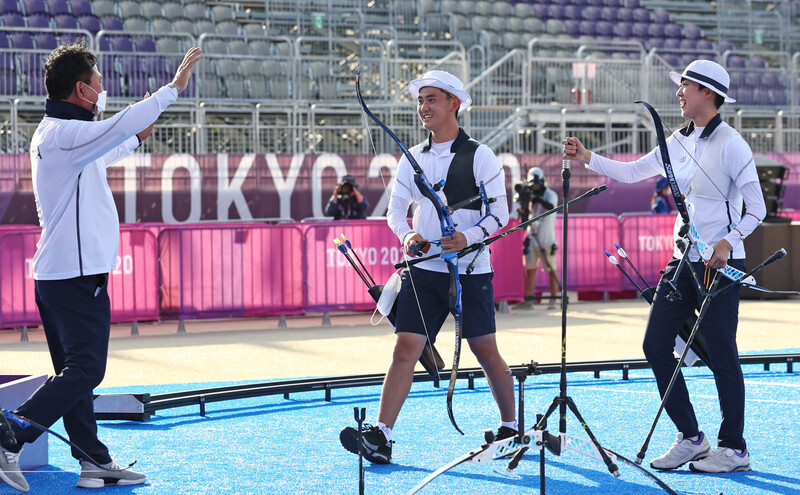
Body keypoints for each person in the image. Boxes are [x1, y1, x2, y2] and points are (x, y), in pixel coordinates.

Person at [0, 41, 202, 493]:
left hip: (61, 276)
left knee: (75, 377)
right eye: (98, 82)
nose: (103, 88)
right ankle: (10, 432)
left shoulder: (61, 136)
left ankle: (94, 461)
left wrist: (136, 134)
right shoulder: (63, 135)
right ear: (81, 90)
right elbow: (118, 124)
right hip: (72, 277)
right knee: (87, 371)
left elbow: (114, 144)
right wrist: (172, 89)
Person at [563, 59, 765, 474]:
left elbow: (757, 210)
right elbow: (635, 171)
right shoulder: (677, 139)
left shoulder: (732, 144)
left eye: (685, 86)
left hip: (719, 264)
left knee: (722, 352)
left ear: (707, 93)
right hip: (683, 260)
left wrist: (728, 242)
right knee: (656, 344)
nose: (678, 94)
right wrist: (588, 157)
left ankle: (733, 448)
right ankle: (692, 437)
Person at [339, 70, 515, 464]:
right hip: (423, 269)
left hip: (470, 269)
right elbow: (395, 212)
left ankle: (511, 428)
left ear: (454, 103)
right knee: (406, 347)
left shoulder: (480, 155)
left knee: (485, 349)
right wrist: (406, 237)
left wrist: (467, 238)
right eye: (420, 101)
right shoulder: (412, 157)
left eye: (432, 99)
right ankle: (381, 436)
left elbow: (500, 213)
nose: (424, 108)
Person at [515, 167, 559, 310]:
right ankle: (528, 300)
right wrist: (525, 202)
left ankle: (553, 299)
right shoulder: (529, 196)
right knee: (530, 270)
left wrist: (536, 198)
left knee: (551, 269)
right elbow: (523, 217)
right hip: (532, 240)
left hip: (547, 240)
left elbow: (552, 207)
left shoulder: (550, 194)